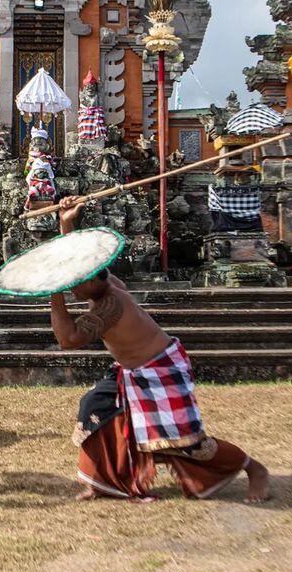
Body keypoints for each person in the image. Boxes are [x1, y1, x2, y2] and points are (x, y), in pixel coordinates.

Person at [53, 196, 269, 503]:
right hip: (131, 371)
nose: (72, 286)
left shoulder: (110, 305)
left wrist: (53, 293)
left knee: (187, 443)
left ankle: (253, 468)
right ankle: (102, 482)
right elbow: (79, 257)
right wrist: (67, 222)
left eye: (75, 282)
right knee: (95, 407)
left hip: (161, 370)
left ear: (91, 282)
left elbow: (68, 339)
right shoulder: (106, 283)